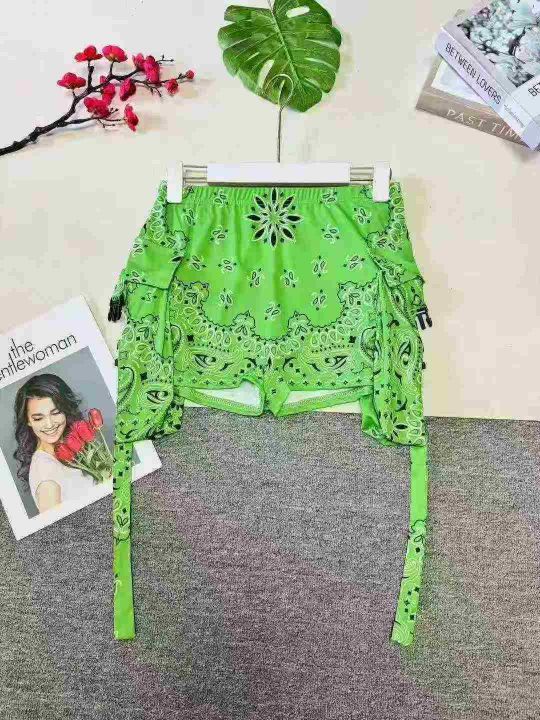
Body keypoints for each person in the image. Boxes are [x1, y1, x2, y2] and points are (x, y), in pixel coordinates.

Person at [13, 374, 95, 513]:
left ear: (66, 410)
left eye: (56, 413)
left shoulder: (70, 449)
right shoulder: (46, 476)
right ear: (28, 421)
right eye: (38, 418)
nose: (49, 424)